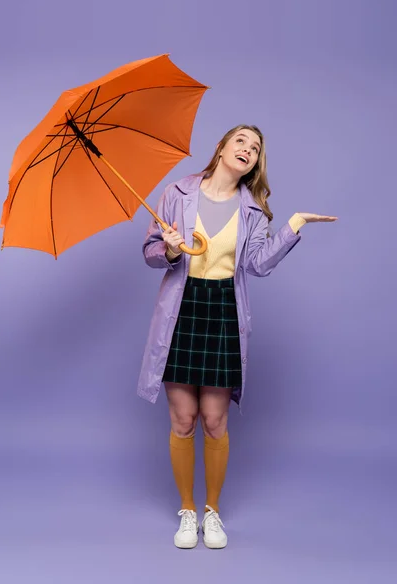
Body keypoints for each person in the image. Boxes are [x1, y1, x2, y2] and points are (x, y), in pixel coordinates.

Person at [137, 125, 337, 549]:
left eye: (256, 147)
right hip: (182, 311)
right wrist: (170, 249)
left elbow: (259, 265)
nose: (248, 149)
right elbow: (152, 253)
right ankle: (187, 511)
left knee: (214, 420)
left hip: (224, 310)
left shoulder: (252, 209)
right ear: (222, 147)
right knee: (182, 420)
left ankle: (213, 512)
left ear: (256, 162)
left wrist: (294, 224)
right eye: (241, 141)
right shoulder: (177, 192)